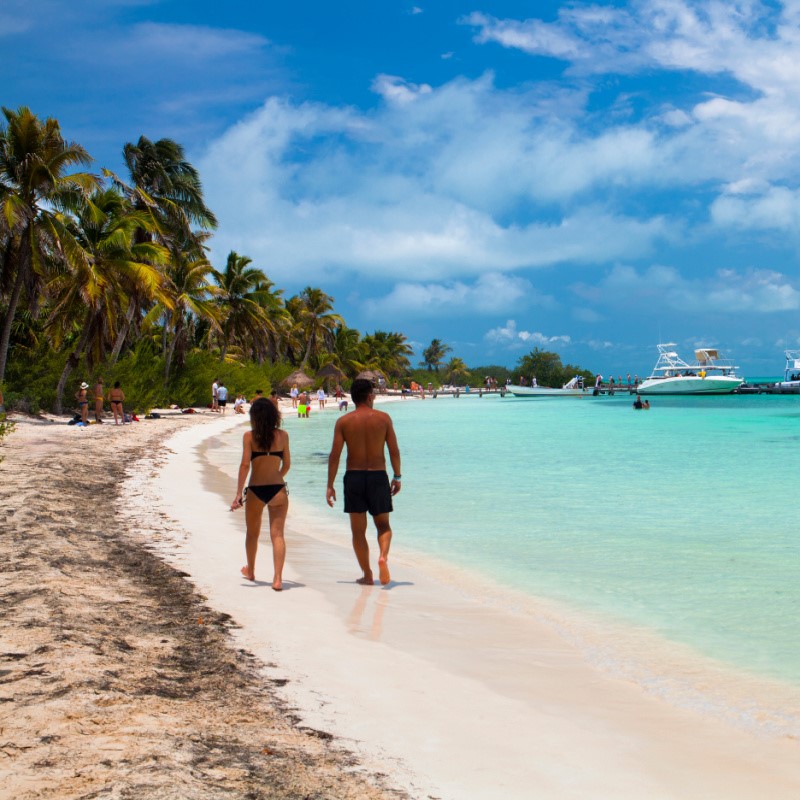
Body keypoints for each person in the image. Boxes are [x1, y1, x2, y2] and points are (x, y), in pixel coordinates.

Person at [326, 378, 401, 586]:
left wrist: (330, 485)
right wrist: (397, 476)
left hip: (354, 478)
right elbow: (394, 450)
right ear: (369, 396)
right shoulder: (384, 419)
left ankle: (367, 574)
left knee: (358, 531)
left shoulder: (344, 422)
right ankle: (383, 557)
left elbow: (334, 456)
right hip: (378, 477)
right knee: (383, 526)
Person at [230, 397, 290, 590]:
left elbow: (245, 465)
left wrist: (238, 493)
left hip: (256, 490)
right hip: (278, 490)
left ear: (254, 417)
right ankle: (278, 579)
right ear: (274, 416)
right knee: (277, 535)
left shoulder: (249, 436)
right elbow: (287, 464)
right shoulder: (283, 436)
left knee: (252, 534)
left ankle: (252, 570)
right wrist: (276, 478)